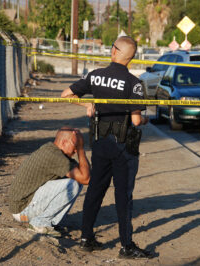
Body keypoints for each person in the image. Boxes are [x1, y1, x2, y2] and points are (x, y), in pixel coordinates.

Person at [61, 36, 152, 259]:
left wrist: (87, 104)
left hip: (100, 143)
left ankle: (86, 238)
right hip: (124, 146)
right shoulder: (134, 83)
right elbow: (137, 121)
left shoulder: (96, 76)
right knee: (123, 196)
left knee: (95, 190)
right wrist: (147, 120)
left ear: (113, 51)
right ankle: (126, 246)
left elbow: (66, 95)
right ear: (131, 57)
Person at [7, 127, 90, 236]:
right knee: (72, 184)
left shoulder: (53, 150)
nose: (75, 151)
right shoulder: (55, 156)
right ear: (64, 142)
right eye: (74, 146)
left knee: (76, 181)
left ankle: (49, 223)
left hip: (26, 204)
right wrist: (80, 149)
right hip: (22, 210)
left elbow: (84, 175)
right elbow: (86, 179)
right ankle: (39, 224)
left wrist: (78, 146)